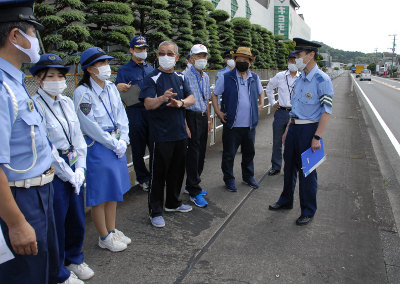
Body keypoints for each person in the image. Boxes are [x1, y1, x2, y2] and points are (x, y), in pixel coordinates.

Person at [0, 1, 59, 283]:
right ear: (15, 36)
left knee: (42, 271)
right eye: (33, 33)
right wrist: (16, 222)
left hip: (37, 193)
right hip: (18, 199)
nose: (36, 40)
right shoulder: (2, 89)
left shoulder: (16, 81)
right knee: (25, 275)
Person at [30, 54, 94, 284]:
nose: (57, 80)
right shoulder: (35, 105)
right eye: (51, 76)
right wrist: (67, 174)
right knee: (56, 220)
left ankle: (74, 257)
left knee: (76, 215)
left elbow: (77, 137)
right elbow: (45, 146)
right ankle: (58, 272)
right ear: (38, 79)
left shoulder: (66, 101)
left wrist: (80, 168)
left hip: (74, 163)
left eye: (60, 75)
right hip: (53, 170)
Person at [268, 38, 334, 226]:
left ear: (311, 55)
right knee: (289, 167)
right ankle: (286, 200)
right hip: (294, 127)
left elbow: (327, 112)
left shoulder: (322, 79)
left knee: (307, 171)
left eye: (299, 55)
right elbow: (295, 107)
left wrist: (317, 137)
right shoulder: (301, 78)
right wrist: (288, 129)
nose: (296, 58)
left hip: (310, 129)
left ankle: (308, 210)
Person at [74, 47, 131, 252]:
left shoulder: (111, 87)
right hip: (98, 145)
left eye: (107, 62)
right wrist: (113, 142)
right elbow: (88, 125)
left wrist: (124, 139)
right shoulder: (83, 92)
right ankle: (103, 235)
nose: (106, 67)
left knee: (113, 190)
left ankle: (112, 229)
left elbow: (121, 115)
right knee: (100, 194)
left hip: (116, 144)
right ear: (89, 69)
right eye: (101, 63)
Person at [140, 41, 195, 228]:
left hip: (179, 134)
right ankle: (155, 211)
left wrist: (180, 103)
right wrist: (162, 99)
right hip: (160, 136)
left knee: (177, 172)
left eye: (170, 53)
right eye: (162, 53)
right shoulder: (151, 78)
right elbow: (148, 104)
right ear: (157, 56)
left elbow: (192, 98)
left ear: (177, 57)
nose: (166, 57)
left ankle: (173, 203)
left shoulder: (181, 77)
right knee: (158, 176)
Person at [211, 47, 265, 192]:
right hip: (232, 125)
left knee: (249, 154)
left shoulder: (254, 77)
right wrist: (218, 112)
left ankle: (248, 177)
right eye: (239, 60)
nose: (242, 62)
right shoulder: (226, 77)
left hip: (249, 125)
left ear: (250, 62)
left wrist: (261, 104)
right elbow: (214, 94)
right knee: (229, 155)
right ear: (234, 61)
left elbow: (261, 92)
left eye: (245, 60)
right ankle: (229, 180)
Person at [115, 35, 154, 191]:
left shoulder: (150, 68)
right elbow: (117, 88)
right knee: (137, 148)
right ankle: (143, 178)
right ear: (131, 50)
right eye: (139, 49)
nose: (142, 51)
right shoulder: (124, 70)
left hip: (151, 111)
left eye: (144, 48)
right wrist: (118, 86)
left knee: (155, 146)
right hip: (134, 111)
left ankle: (155, 176)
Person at [182, 44, 212, 208]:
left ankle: (192, 184)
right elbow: (183, 104)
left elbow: (206, 99)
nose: (202, 59)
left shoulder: (205, 77)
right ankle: (194, 191)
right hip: (190, 117)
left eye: (204, 56)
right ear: (191, 58)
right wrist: (185, 125)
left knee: (201, 154)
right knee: (193, 155)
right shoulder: (184, 76)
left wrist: (208, 120)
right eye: (199, 56)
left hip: (201, 117)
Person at [266, 51, 299, 176]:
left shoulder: (302, 77)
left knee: (293, 142)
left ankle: (291, 167)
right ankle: (276, 166)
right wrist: (273, 102)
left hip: (295, 113)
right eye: (291, 60)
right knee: (277, 141)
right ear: (288, 61)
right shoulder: (280, 76)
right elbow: (269, 88)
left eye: (295, 60)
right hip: (281, 112)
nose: (293, 63)